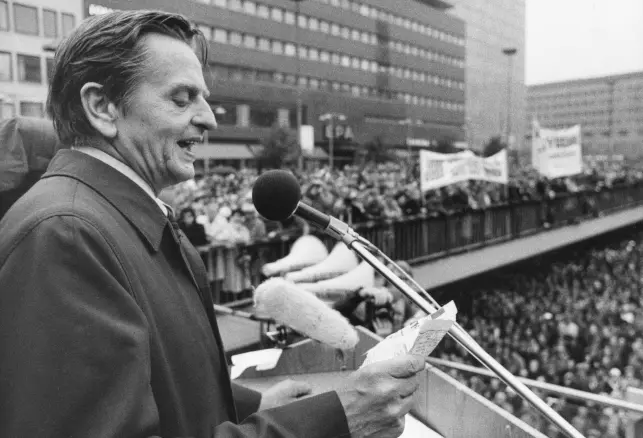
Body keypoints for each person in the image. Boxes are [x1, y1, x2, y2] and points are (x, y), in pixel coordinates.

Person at [0, 10, 426, 438]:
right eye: (182, 98)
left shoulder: (105, 220)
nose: (209, 118)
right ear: (102, 107)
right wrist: (335, 419)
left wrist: (255, 406)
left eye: (202, 98)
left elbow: (165, 375)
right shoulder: (65, 236)